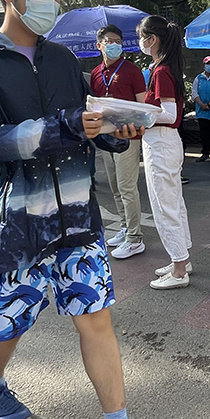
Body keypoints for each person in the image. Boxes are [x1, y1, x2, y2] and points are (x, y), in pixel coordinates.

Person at [0, 0, 174, 419]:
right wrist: (63, 126)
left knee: (96, 318)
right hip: (13, 224)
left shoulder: (62, 60)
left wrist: (114, 133)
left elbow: (82, 127)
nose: (50, 3)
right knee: (11, 323)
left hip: (75, 217)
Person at [138, 15, 195, 290]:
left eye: (142, 37)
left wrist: (140, 115)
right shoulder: (166, 67)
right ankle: (181, 259)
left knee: (165, 206)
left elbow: (170, 114)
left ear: (152, 39)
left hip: (161, 143)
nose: (140, 42)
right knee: (174, 203)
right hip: (164, 142)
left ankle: (179, 268)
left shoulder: (161, 71)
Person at [90, 24, 149, 260]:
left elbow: (143, 106)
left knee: (127, 187)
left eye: (118, 41)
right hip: (106, 137)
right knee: (115, 187)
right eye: (109, 41)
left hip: (128, 136)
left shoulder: (132, 71)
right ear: (99, 45)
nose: (114, 45)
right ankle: (125, 228)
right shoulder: (96, 73)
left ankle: (135, 239)